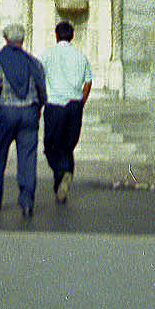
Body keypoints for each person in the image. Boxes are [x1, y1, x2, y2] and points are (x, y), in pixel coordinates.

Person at [0, 23, 47, 217]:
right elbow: (42, 89)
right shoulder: (33, 62)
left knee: (0, 153)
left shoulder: (0, 60)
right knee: (28, 158)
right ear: (22, 41)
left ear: (7, 40)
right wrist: (38, 108)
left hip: (8, 113)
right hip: (29, 113)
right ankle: (27, 201)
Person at [40, 19, 93, 203]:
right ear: (72, 36)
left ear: (56, 35)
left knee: (50, 146)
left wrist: (39, 104)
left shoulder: (47, 55)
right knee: (68, 146)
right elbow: (88, 82)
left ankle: (62, 173)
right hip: (74, 105)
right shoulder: (81, 56)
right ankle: (64, 177)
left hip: (54, 105)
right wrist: (81, 102)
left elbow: (39, 80)